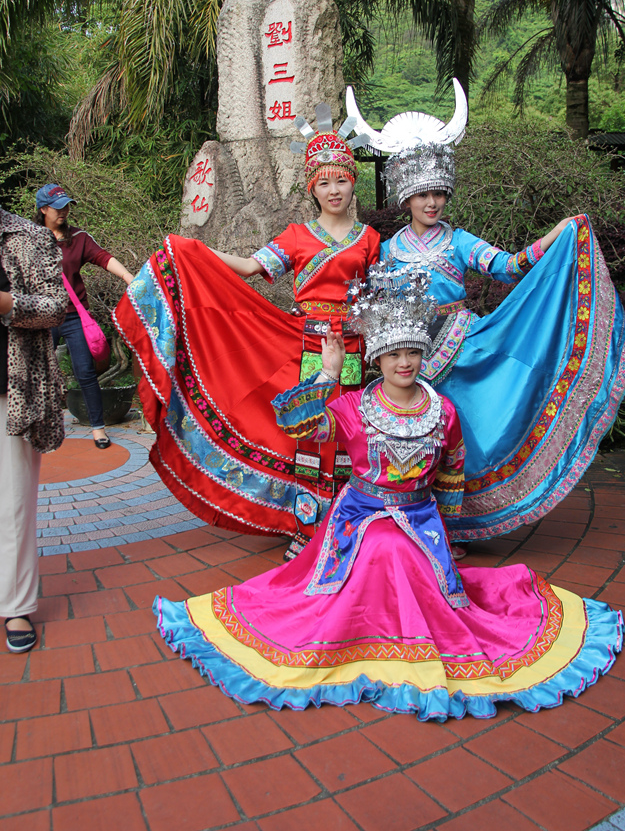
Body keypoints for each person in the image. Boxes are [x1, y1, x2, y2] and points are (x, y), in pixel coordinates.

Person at [153, 265, 623, 721]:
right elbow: (299, 426)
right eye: (394, 354)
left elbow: (451, 474)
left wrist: (445, 534)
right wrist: (328, 374)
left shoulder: (444, 411)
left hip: (422, 520)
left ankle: (404, 635)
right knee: (386, 548)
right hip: (359, 517)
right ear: (377, 359)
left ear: (423, 354)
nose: (404, 363)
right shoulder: (353, 407)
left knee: (410, 556)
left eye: (413, 352)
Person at [347, 79, 625, 547]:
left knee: (464, 440)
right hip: (409, 355)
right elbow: (379, 304)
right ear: (406, 199)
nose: (432, 202)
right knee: (413, 441)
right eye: (423, 195)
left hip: (463, 351)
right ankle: (414, 523)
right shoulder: (389, 249)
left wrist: (557, 235)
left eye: (439, 193)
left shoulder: (460, 241)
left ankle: (456, 528)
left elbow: (509, 266)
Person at [114, 108, 379, 553]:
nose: (334, 190)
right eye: (324, 183)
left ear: (353, 182)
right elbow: (251, 267)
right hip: (307, 345)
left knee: (346, 430)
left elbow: (376, 297)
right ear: (312, 188)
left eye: (341, 180)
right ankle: (307, 528)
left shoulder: (369, 238)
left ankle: (344, 525)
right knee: (308, 431)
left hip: (352, 346)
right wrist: (196, 252)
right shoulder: (297, 235)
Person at [0, 207, 68, 653]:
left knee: (13, 502)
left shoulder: (27, 236)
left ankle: (15, 604)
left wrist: (7, 304)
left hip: (13, 390)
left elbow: (55, 306)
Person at [35, 184, 134, 449]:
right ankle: (37, 426)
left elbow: (103, 257)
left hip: (72, 317)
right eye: (58, 208)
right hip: (40, 316)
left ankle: (97, 428)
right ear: (43, 209)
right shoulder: (29, 238)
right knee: (37, 372)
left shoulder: (78, 238)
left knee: (85, 372)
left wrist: (128, 277)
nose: (64, 212)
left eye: (66, 206)